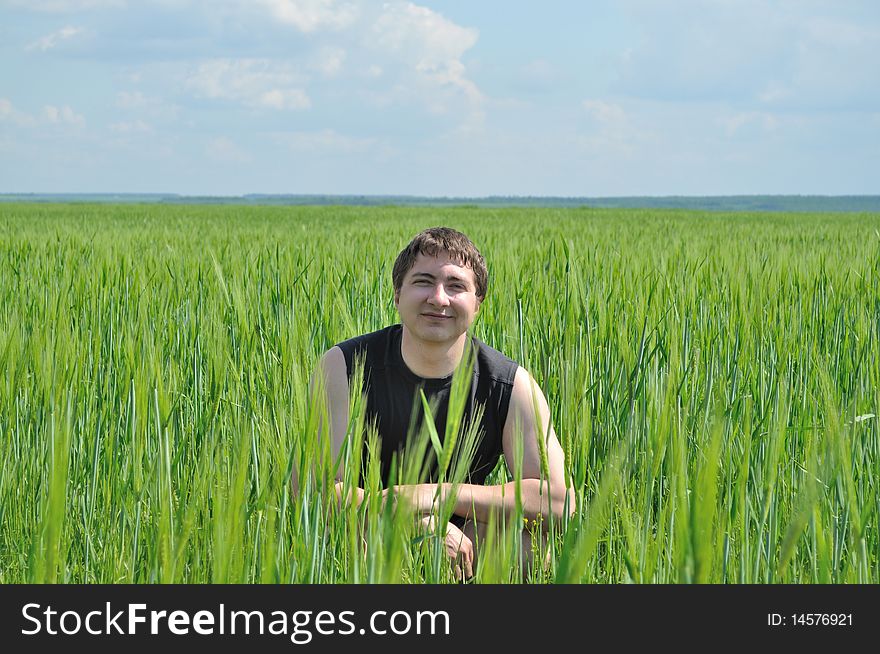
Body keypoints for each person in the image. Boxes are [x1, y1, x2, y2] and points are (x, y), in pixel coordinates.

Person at [295, 227, 574, 579]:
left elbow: (560, 504)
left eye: (456, 286)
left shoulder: (511, 385)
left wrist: (435, 496)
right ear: (397, 294)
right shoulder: (343, 366)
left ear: (477, 303)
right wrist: (413, 524)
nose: (438, 298)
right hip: (365, 532)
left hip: (471, 538)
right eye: (423, 282)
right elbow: (311, 490)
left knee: (532, 547)